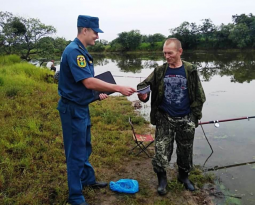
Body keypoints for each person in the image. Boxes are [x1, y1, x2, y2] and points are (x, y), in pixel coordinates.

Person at [57, 15, 136, 205]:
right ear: (84, 30)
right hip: (72, 109)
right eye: (95, 32)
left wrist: (95, 95)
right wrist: (118, 88)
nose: (97, 37)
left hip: (81, 107)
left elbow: (82, 86)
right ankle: (75, 196)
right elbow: (88, 81)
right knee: (75, 151)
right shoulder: (74, 51)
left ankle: (87, 180)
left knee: (85, 146)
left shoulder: (80, 50)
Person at [137, 38, 206, 195]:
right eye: (164, 53)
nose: (167, 57)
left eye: (170, 53)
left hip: (186, 119)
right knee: (161, 152)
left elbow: (199, 96)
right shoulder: (160, 71)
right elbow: (143, 87)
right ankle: (162, 181)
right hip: (164, 118)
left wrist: (194, 117)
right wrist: (143, 95)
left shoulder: (191, 70)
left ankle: (184, 177)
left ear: (180, 52)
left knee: (185, 151)